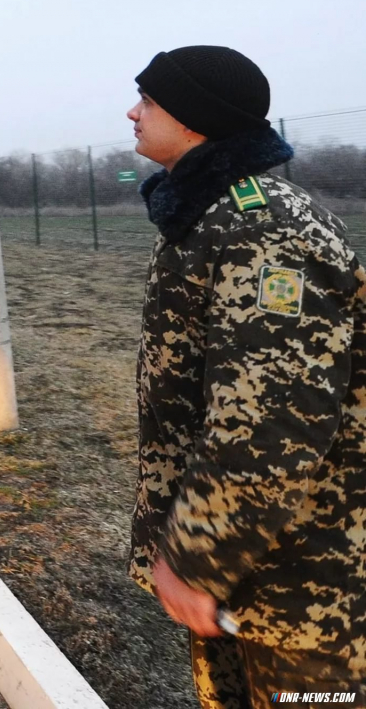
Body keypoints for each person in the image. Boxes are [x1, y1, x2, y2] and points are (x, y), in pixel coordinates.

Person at [127, 46, 365, 705]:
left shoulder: (268, 231)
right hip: (249, 575)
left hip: (307, 587)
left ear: (196, 116)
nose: (132, 112)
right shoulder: (210, 216)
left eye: (148, 100)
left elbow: (273, 419)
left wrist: (199, 558)